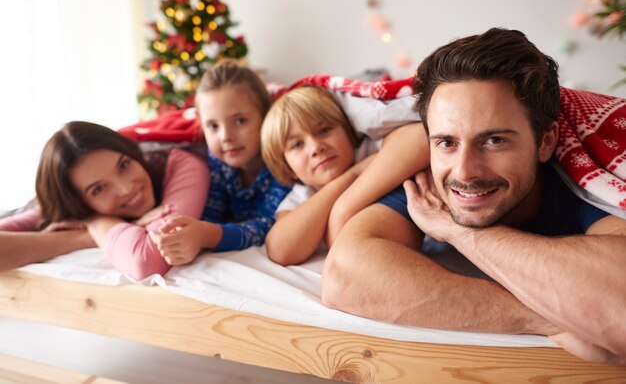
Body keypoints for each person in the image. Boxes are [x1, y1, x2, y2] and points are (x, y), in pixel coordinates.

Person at [321, 28, 626, 364]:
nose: (464, 172)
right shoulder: (426, 184)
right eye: (447, 142)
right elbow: (344, 274)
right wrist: (551, 318)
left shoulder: (582, 183)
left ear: (546, 142)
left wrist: (459, 231)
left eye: (494, 141)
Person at [0, 121, 210, 280]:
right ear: (77, 203)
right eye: (98, 189)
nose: (126, 188)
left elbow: (147, 259)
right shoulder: (62, 200)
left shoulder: (180, 164)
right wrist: (87, 233)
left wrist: (95, 222)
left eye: (124, 165)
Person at [261, 85, 428, 265]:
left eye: (324, 130)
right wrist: (352, 175)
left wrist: (344, 208)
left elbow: (421, 136)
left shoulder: (366, 151)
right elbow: (280, 249)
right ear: (289, 169)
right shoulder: (301, 196)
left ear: (349, 134)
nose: (316, 147)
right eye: (297, 145)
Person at [151, 60, 290, 264]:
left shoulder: (282, 161)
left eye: (240, 121)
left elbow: (268, 227)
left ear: (265, 116)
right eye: (213, 126)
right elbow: (209, 215)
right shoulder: (217, 161)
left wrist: (206, 235)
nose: (226, 136)